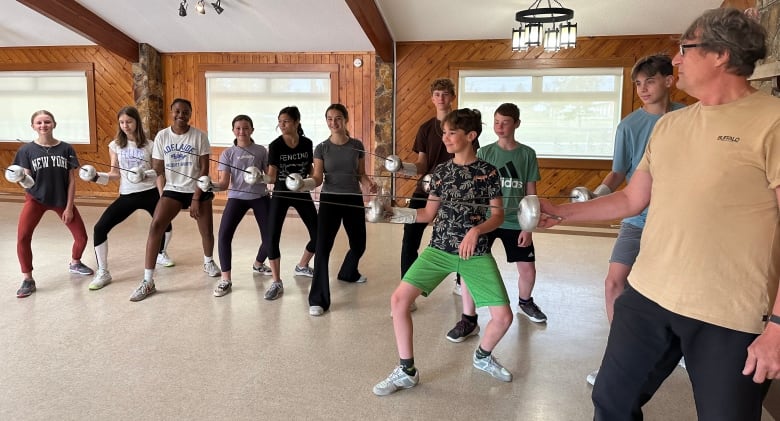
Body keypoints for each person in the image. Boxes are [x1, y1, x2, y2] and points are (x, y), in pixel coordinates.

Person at [537, 8, 779, 420]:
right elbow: (633, 199)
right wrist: (561, 211)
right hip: (649, 295)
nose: (677, 60)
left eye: (684, 49)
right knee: (611, 404)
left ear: (721, 54)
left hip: (730, 313)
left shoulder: (771, 121)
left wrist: (777, 327)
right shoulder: (670, 126)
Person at [373, 108, 514, 396]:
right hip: (439, 249)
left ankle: (483, 356)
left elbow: (498, 216)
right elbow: (426, 214)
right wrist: (393, 213)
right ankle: (406, 371)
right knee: (399, 301)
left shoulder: (488, 172)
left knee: (503, 317)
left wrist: (476, 231)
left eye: (451, 133)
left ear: (470, 136)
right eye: (444, 132)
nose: (445, 138)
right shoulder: (441, 172)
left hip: (475, 253)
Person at [584, 54, 685, 385]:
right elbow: (618, 172)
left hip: (679, 220)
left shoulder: (689, 117)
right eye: (638, 83)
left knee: (677, 287)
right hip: (637, 219)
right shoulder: (628, 125)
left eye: (650, 81)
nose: (643, 88)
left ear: (669, 81)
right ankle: (619, 357)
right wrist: (597, 193)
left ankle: (681, 349)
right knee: (614, 282)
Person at [445, 103, 544, 343]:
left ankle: (525, 302)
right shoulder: (486, 152)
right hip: (486, 220)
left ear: (516, 124)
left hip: (515, 220)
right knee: (468, 268)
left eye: (506, 122)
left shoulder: (526, 154)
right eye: (497, 121)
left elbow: (531, 193)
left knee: (527, 269)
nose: (500, 126)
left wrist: (528, 227)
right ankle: (468, 319)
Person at [129, 98, 219, 302]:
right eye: (177, 111)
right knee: (156, 227)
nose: (181, 115)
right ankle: (148, 281)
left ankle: (208, 261)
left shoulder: (199, 136)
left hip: (198, 187)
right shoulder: (162, 136)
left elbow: (204, 170)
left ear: (190, 113)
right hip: (174, 189)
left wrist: (196, 198)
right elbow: (158, 168)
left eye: (185, 111)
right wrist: (145, 174)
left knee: (206, 231)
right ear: (171, 112)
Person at [400, 78, 476, 297]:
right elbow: (422, 164)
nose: (441, 98)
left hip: (456, 192)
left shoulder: (464, 127)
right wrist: (405, 167)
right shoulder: (425, 128)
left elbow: (469, 159)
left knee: (461, 234)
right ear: (432, 98)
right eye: (436, 94)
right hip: (425, 189)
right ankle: (408, 287)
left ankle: (461, 282)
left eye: (444, 94)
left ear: (452, 96)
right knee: (410, 237)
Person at [87, 106, 174, 291]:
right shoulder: (115, 145)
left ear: (137, 123)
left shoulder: (149, 145)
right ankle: (103, 271)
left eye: (129, 122)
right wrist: (95, 177)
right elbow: (114, 173)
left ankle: (161, 253)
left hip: (149, 192)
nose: (125, 126)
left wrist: (162, 196)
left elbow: (158, 173)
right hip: (127, 194)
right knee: (99, 228)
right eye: (122, 122)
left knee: (166, 223)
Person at [11, 110, 94, 297]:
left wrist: (69, 206)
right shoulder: (25, 151)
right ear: (33, 126)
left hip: (61, 199)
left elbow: (72, 180)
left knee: (81, 238)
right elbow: (26, 179)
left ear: (54, 124)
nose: (43, 125)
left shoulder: (66, 149)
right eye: (39, 123)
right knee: (23, 237)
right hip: (35, 199)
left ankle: (75, 262)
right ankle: (27, 279)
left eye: (47, 122)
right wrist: (19, 177)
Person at [307, 103, 377, 316]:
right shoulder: (321, 148)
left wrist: (368, 183)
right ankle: (318, 299)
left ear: (345, 120)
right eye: (329, 118)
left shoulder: (356, 145)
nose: (333, 122)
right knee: (322, 248)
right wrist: (306, 183)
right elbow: (318, 177)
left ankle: (348, 273)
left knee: (359, 244)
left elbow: (360, 173)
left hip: (353, 199)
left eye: (338, 118)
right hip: (330, 200)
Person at [212, 114, 272, 297]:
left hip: (260, 196)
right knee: (223, 235)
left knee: (270, 236)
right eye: (238, 128)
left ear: (252, 130)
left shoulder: (261, 151)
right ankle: (225, 279)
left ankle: (258, 263)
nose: (242, 131)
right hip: (237, 197)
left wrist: (260, 177)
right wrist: (210, 185)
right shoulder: (228, 153)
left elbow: (270, 177)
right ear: (233, 131)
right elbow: (223, 184)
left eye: (246, 128)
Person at [263, 106, 318, 301]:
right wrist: (256, 178)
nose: (282, 125)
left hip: (301, 191)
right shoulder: (275, 145)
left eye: (286, 121)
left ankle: (302, 266)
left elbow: (311, 170)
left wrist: (310, 182)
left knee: (318, 234)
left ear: (296, 122)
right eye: (280, 122)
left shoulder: (306, 143)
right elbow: (271, 177)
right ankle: (276, 281)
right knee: (272, 236)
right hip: (281, 193)